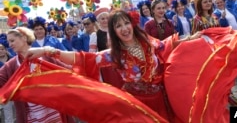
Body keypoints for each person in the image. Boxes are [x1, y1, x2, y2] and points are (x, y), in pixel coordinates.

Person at [26, 10, 201, 121]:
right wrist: (47, 50)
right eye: (119, 26)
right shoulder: (113, 54)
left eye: (126, 23)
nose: (124, 28)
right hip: (136, 104)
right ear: (114, 31)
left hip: (161, 99)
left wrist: (193, 38)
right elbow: (81, 58)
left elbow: (168, 45)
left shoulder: (148, 42)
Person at [0, 27, 74, 123]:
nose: (10, 45)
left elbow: (66, 71)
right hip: (32, 115)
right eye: (9, 42)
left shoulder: (44, 55)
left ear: (24, 38)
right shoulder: (12, 64)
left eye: (12, 40)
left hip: (54, 109)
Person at [0, 33, 15, 123]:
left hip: (14, 89)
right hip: (3, 91)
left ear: (6, 50)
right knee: (8, 113)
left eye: (2, 49)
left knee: (17, 111)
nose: (0, 51)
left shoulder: (13, 60)